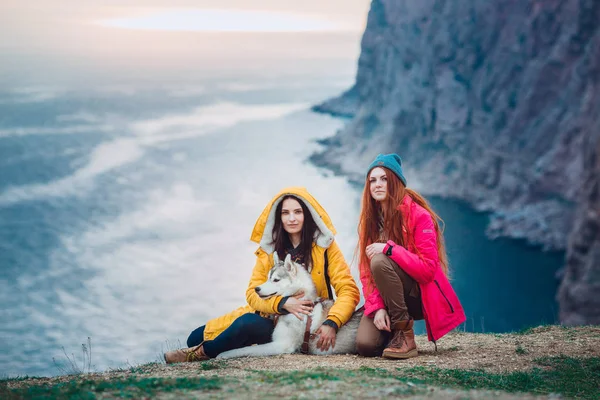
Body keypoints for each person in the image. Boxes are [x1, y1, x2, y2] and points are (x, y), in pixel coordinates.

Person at [164, 187, 360, 362]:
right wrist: (282, 304)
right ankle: (228, 344)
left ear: (308, 215)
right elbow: (252, 292)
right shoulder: (270, 249)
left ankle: (201, 354)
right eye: (285, 213)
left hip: (302, 323)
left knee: (246, 324)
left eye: (298, 212)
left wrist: (332, 321)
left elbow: (348, 289)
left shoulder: (325, 247)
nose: (292, 218)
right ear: (279, 217)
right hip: (271, 315)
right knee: (194, 337)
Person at [355, 153, 466, 359]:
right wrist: (378, 307)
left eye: (384, 179)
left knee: (379, 260)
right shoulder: (370, 222)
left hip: (417, 295)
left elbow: (427, 271)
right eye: (372, 180)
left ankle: (405, 334)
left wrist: (390, 249)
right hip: (387, 295)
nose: (377, 185)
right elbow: (365, 273)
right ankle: (392, 332)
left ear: (396, 182)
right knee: (366, 346)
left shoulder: (419, 216)